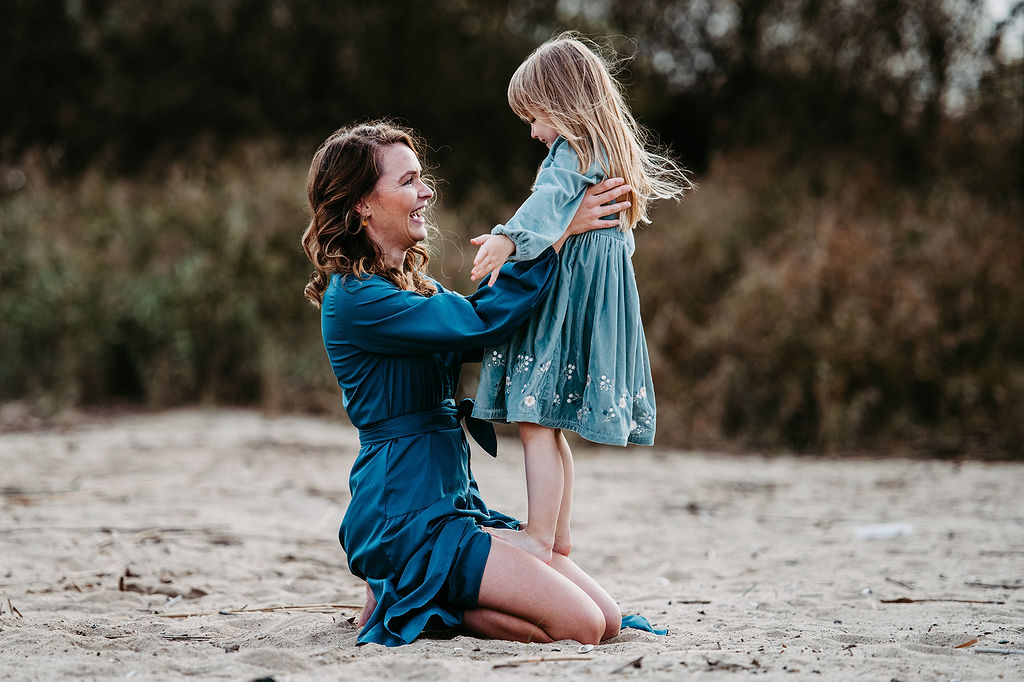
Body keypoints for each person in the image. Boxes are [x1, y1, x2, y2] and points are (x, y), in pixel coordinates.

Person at [301, 120, 638, 647]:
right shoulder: (358, 299)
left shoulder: (414, 289)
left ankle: (421, 594)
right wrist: (551, 234)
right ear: (362, 204)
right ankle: (422, 599)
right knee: (582, 626)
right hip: (404, 513)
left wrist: (574, 248)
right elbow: (482, 323)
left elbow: (491, 333)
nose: (426, 192)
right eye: (408, 181)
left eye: (422, 178)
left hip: (452, 502)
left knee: (608, 619)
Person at [469, 33, 693, 563]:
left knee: (534, 419)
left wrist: (508, 239)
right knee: (549, 421)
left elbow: (546, 203)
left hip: (567, 304)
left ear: (563, 103)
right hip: (596, 304)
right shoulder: (610, 154)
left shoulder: (574, 152)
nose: (532, 131)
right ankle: (560, 535)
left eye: (535, 116)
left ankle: (539, 535)